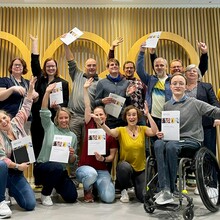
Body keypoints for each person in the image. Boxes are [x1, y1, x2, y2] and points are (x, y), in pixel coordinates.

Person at [153, 73, 220, 205]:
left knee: (171, 146)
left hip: (191, 140)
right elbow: (167, 128)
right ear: (170, 86)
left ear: (185, 87)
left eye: (181, 83)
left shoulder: (195, 103)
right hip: (172, 141)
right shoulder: (167, 106)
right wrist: (161, 133)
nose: (178, 86)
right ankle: (165, 189)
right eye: (175, 83)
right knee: (158, 144)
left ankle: (170, 189)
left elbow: (214, 111)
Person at [92, 103, 158, 203]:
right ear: (125, 117)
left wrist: (148, 114)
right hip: (125, 167)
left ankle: (136, 186)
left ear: (137, 116)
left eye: (134, 115)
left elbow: (154, 131)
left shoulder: (142, 129)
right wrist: (101, 123)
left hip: (141, 168)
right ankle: (124, 189)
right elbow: (109, 132)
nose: (131, 117)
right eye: (129, 115)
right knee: (123, 167)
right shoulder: (121, 130)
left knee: (143, 197)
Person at [33, 83, 78, 206]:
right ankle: (45, 194)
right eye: (61, 118)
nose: (63, 120)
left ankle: (53, 185)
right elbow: (43, 111)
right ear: (56, 119)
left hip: (60, 171)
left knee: (72, 197)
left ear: (69, 119)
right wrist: (47, 92)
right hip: (43, 167)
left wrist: (72, 154)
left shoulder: (72, 136)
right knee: (56, 167)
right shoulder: (50, 127)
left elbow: (72, 161)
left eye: (66, 118)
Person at [76, 78, 118, 203]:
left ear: (106, 116)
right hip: (85, 169)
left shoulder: (110, 133)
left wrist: (103, 159)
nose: (99, 117)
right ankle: (88, 188)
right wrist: (85, 89)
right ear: (92, 116)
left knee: (109, 198)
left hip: (101, 170)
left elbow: (111, 157)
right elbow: (88, 105)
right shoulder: (89, 125)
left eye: (101, 114)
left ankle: (98, 187)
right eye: (96, 114)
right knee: (91, 174)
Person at [0, 77, 37, 218]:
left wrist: (31, 89)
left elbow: (26, 105)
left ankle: (10, 189)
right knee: (1, 165)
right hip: (6, 170)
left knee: (30, 204)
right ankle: (1, 198)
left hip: (16, 175)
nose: (3, 122)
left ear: (8, 117)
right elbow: (2, 158)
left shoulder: (17, 123)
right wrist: (17, 166)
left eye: (4, 118)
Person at [30, 35, 69, 161]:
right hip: (38, 119)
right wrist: (35, 43)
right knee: (37, 145)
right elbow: (34, 63)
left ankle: (53, 175)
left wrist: (59, 107)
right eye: (48, 66)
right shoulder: (40, 79)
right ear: (45, 68)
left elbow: (66, 102)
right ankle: (37, 177)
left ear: (56, 68)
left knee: (53, 148)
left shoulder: (63, 83)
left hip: (54, 119)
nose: (51, 68)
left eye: (53, 66)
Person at [63, 42, 100, 178]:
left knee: (86, 147)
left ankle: (85, 174)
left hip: (89, 118)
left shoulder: (100, 82)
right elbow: (70, 59)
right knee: (73, 146)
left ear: (97, 67)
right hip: (73, 116)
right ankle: (73, 175)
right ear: (85, 67)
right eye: (89, 65)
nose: (91, 67)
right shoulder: (77, 74)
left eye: (93, 65)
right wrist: (66, 45)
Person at [185, 64, 220, 157]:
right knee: (192, 154)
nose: (192, 72)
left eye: (194, 71)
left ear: (198, 74)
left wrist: (217, 117)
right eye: (189, 70)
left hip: (206, 123)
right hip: (188, 126)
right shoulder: (181, 87)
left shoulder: (206, 86)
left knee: (209, 152)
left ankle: (211, 172)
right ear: (185, 74)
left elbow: (214, 102)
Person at [136, 42, 172, 133]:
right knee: (154, 144)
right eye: (156, 65)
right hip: (153, 117)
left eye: (161, 65)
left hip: (169, 117)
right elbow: (139, 70)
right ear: (154, 67)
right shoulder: (150, 79)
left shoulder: (173, 80)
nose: (159, 67)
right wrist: (142, 52)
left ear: (166, 67)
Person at [95, 58, 131, 128]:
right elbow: (95, 101)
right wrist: (102, 101)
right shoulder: (102, 83)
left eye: (116, 64)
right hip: (109, 119)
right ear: (107, 68)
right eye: (112, 65)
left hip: (123, 118)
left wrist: (128, 95)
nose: (114, 66)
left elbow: (129, 103)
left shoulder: (126, 82)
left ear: (118, 67)